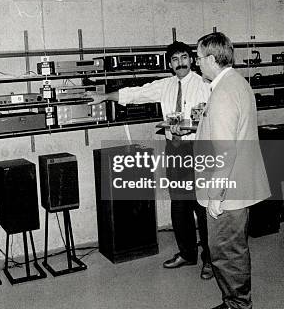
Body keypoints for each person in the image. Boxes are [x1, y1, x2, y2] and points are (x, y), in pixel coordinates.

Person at [90, 41, 213, 279]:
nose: (181, 63)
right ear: (169, 64)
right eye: (175, 59)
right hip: (175, 149)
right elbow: (136, 93)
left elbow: (211, 115)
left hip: (198, 149)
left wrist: (191, 127)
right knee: (179, 205)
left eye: (184, 57)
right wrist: (104, 96)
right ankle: (187, 254)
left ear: (192, 59)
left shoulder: (204, 84)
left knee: (202, 205)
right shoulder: (165, 86)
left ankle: (210, 260)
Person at [194, 32, 271, 309]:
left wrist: (215, 195)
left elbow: (225, 151)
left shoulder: (223, 93)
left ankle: (238, 304)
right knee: (233, 247)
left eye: (199, 57)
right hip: (237, 183)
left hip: (227, 190)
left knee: (226, 251)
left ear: (212, 59)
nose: (196, 62)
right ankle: (236, 301)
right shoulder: (237, 83)